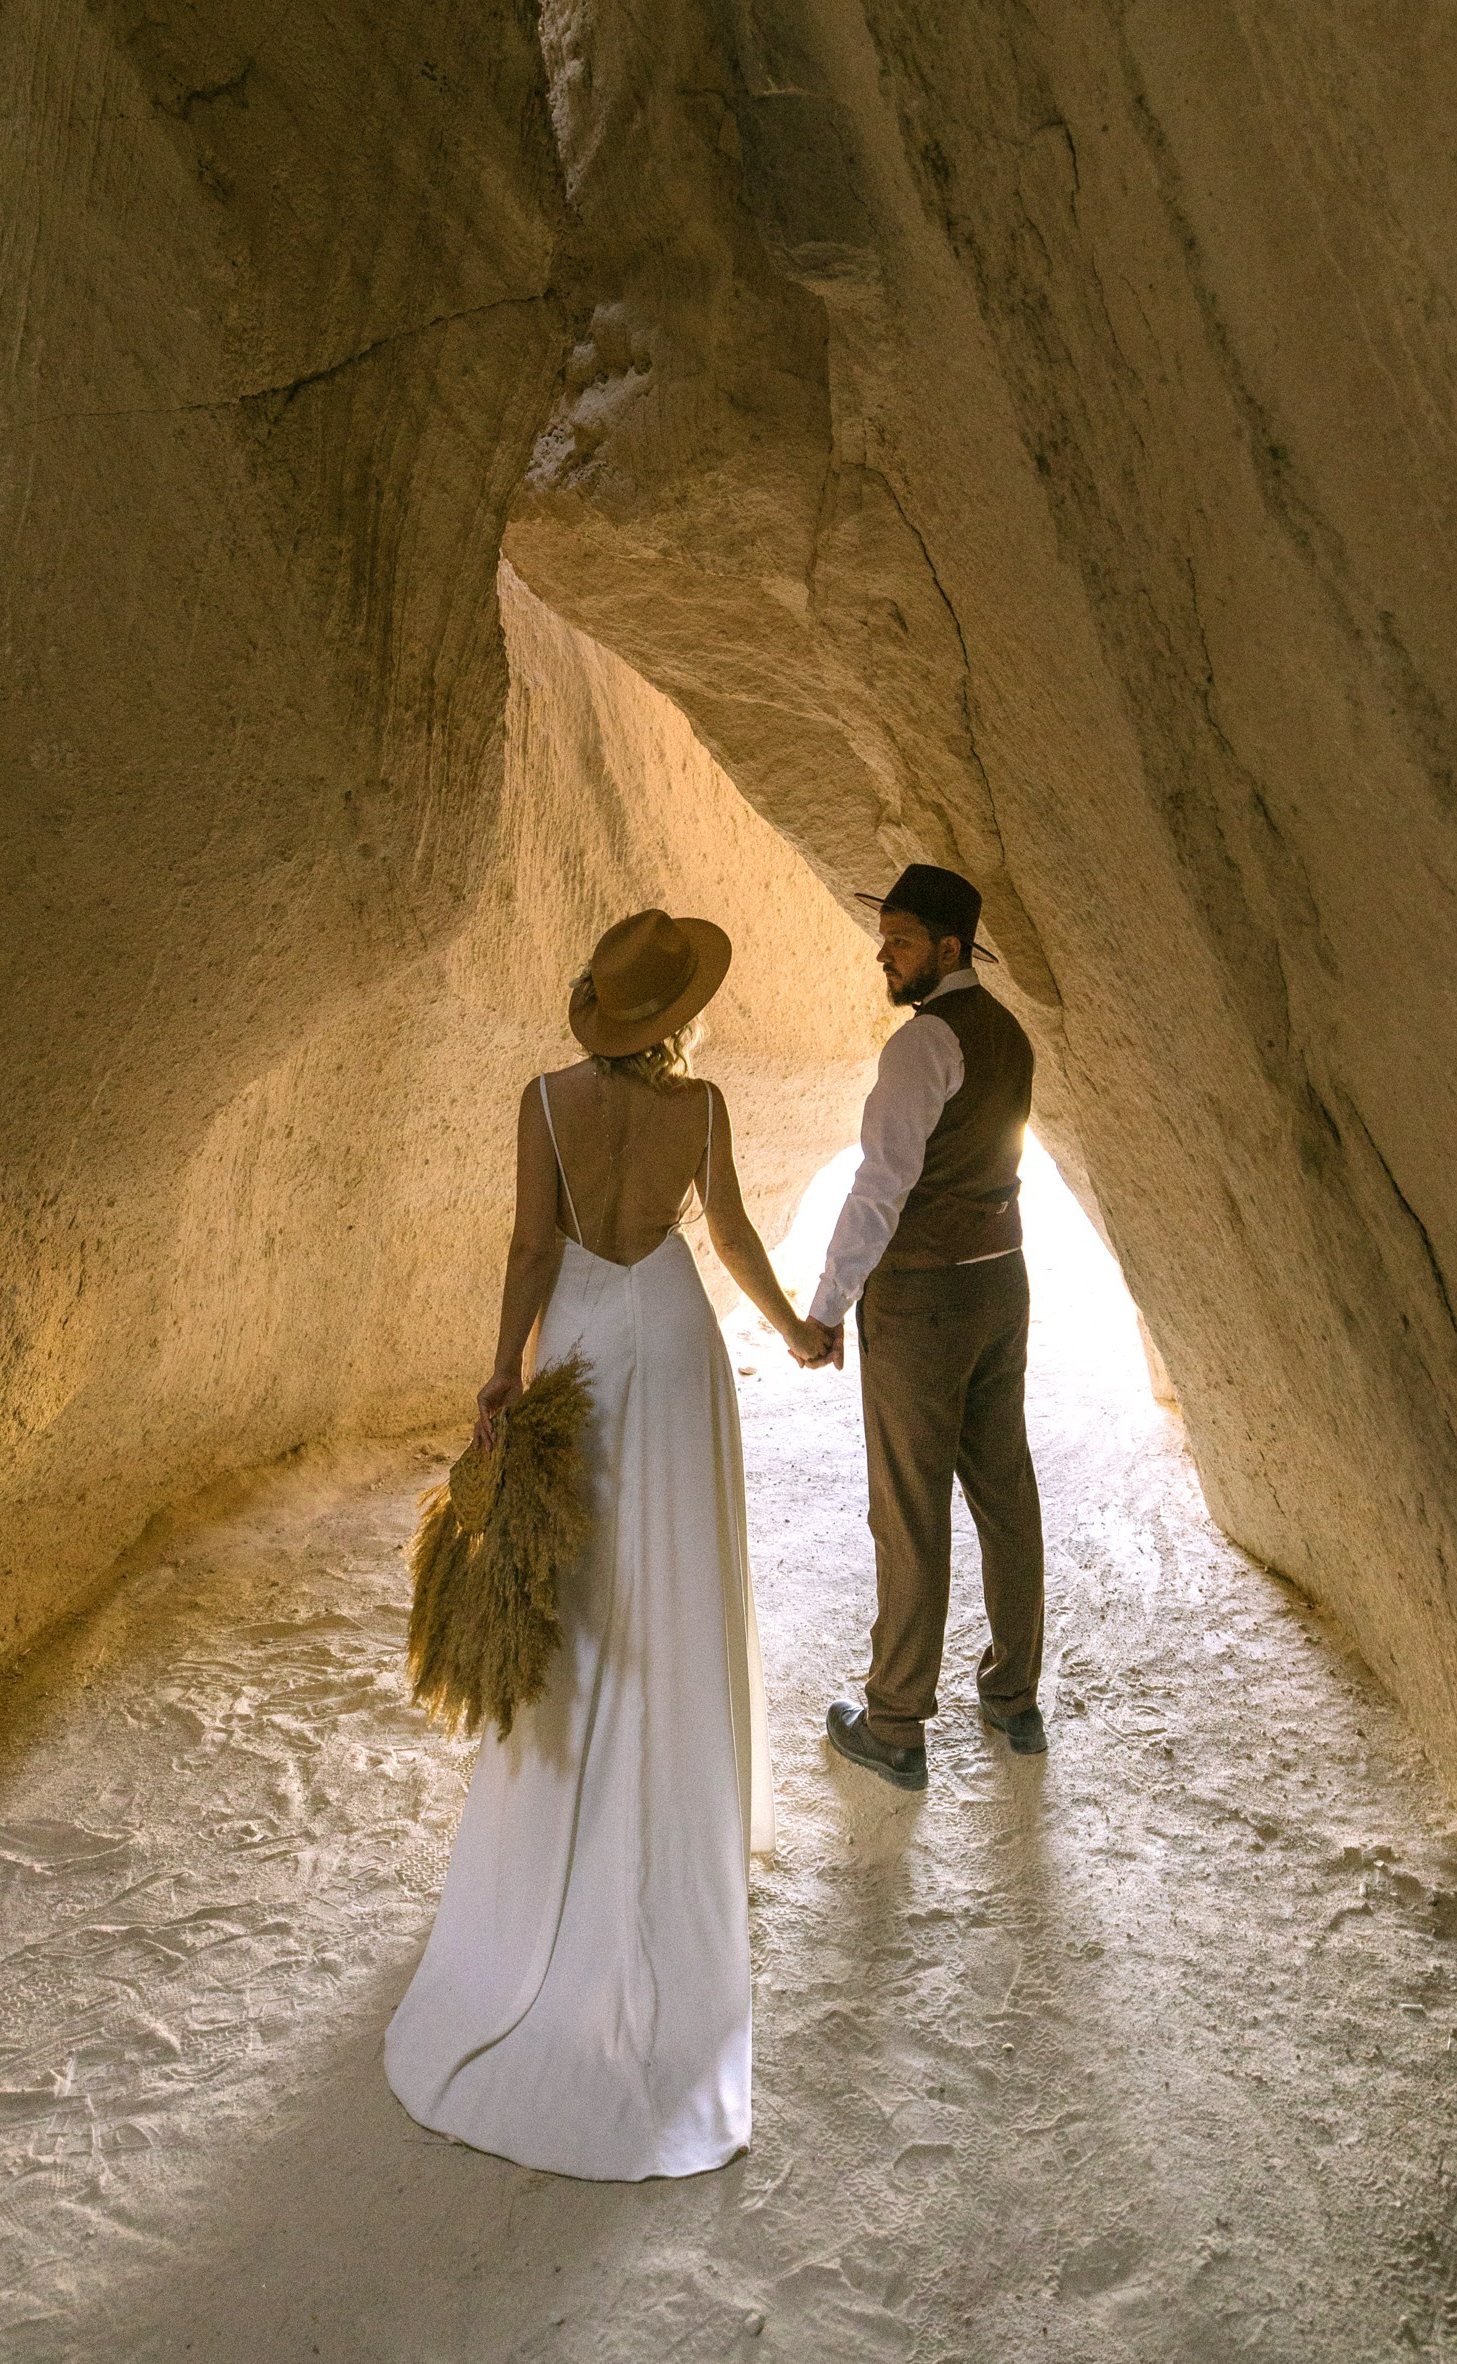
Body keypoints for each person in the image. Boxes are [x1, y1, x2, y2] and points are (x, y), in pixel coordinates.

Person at [384, 908, 831, 2180]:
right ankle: (678, 1784)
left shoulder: (542, 1099)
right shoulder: (701, 1111)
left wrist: (501, 1374)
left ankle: (568, 1813)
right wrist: (794, 1327)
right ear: (675, 1015)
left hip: (583, 1330)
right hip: (676, 1333)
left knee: (576, 1580)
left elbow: (532, 1243)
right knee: (673, 1568)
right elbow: (731, 1235)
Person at [797, 863, 1047, 1787]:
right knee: (1004, 1490)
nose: (883, 955)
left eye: (899, 941)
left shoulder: (921, 1045)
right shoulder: (1009, 1034)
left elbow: (880, 1188)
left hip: (923, 1301)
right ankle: (1013, 1699)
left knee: (909, 1510)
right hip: (1001, 1283)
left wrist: (825, 1309)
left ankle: (896, 1723)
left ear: (947, 949)